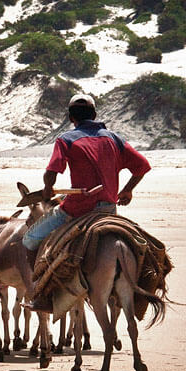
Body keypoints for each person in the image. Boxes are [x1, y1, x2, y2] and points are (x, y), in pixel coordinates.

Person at [22, 94, 151, 307]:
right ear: (95, 114)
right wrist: (127, 191)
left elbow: (52, 172)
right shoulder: (115, 138)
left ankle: (40, 293)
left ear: (71, 118)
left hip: (76, 209)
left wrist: (47, 189)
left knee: (30, 238)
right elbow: (142, 166)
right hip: (109, 210)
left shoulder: (66, 139)